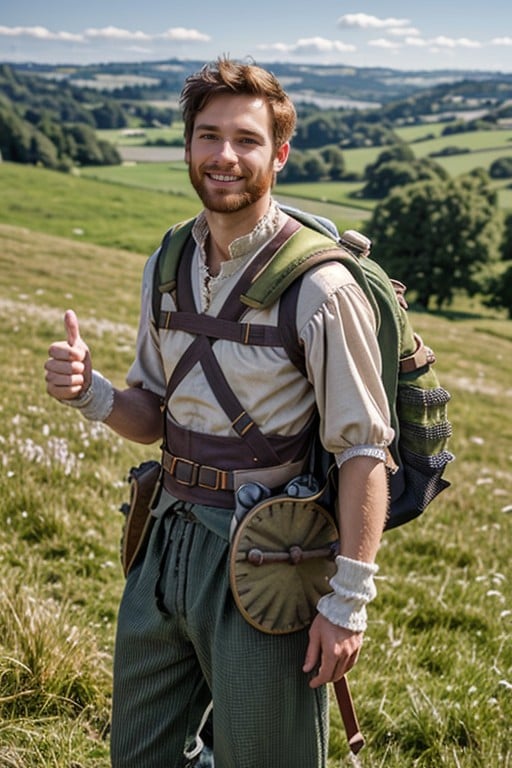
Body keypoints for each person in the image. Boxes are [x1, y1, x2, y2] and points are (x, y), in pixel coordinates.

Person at [44, 56, 394, 768]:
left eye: (246, 139)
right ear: (187, 146)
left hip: (266, 555)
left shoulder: (322, 289)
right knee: (138, 757)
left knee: (267, 757)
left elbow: (364, 453)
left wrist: (347, 602)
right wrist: (92, 393)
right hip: (162, 540)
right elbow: (154, 414)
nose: (224, 156)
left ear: (280, 154)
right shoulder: (168, 260)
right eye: (208, 136)